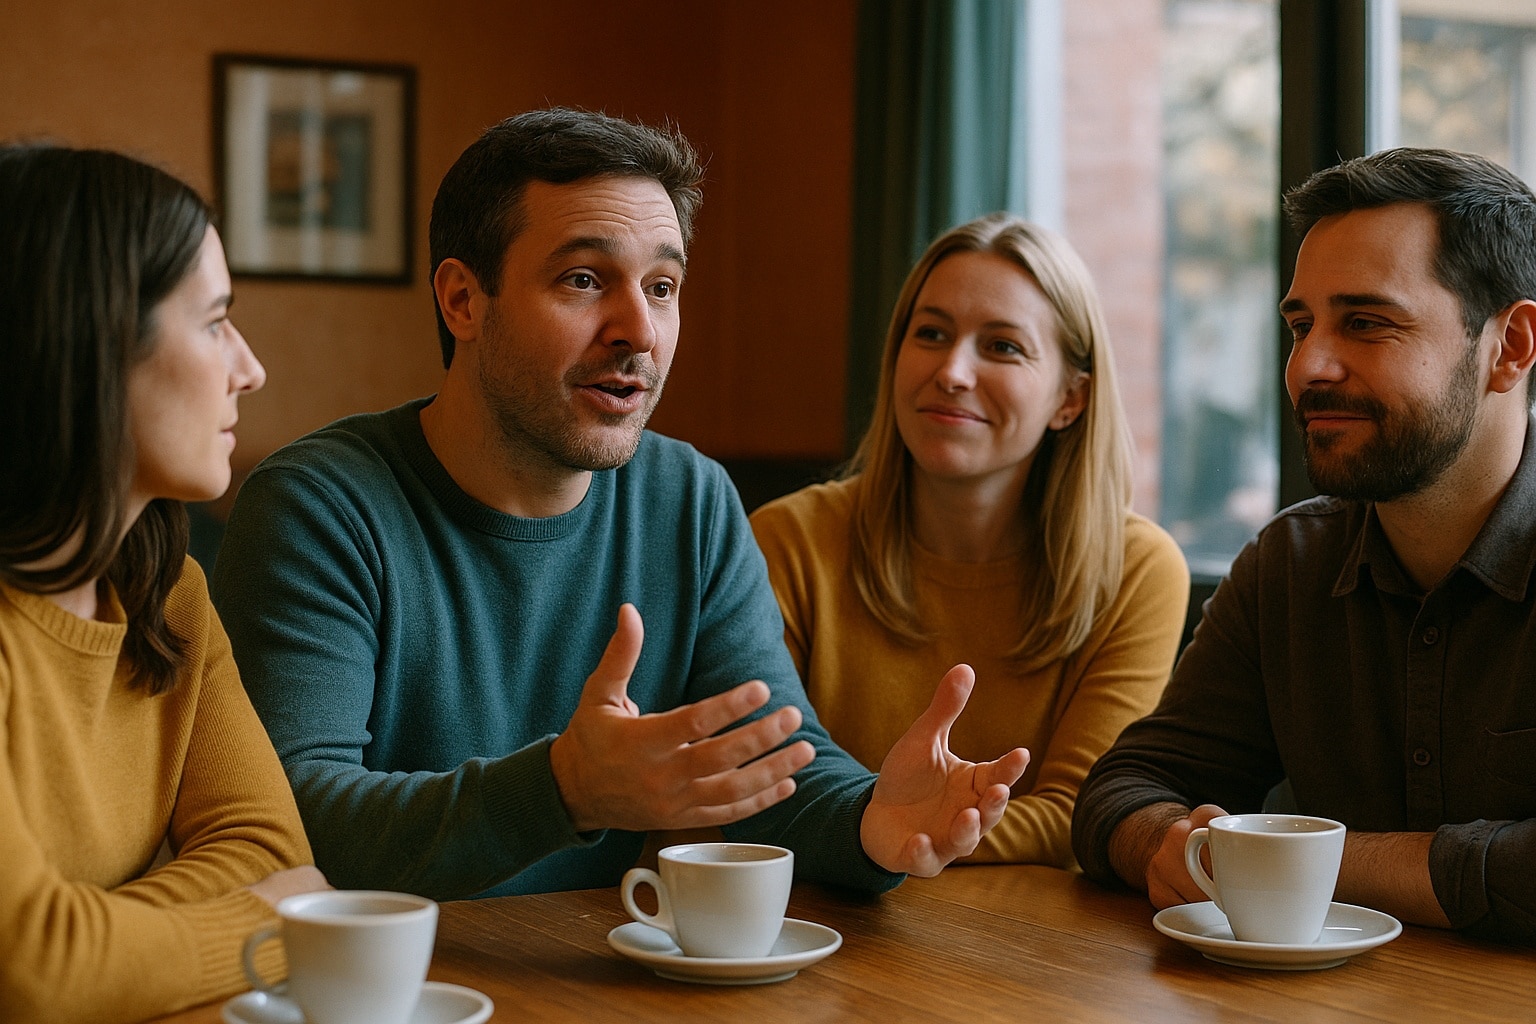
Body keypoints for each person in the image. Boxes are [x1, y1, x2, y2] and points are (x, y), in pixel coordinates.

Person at [210, 107, 1028, 901]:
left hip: (590, 982)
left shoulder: (691, 500)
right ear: (463, 300)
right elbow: (295, 818)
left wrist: (873, 819)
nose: (639, 328)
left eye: (663, 286)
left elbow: (765, 761)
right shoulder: (319, 507)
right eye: (583, 279)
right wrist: (565, 789)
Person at [1071, 147, 1536, 944]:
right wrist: (1168, 845)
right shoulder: (1290, 564)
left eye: (1365, 323)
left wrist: (1284, 860)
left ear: (1512, 346)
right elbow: (1124, 788)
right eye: (1299, 325)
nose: (1308, 367)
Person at [0, 145, 328, 1024]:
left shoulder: (170, 591)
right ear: (92, 342)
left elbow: (267, 847)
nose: (249, 368)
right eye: (216, 321)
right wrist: (277, 923)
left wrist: (89, 940)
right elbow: (33, 972)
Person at [750, 214, 1189, 866]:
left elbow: (1083, 809)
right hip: (824, 926)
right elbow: (763, 785)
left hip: (1025, 946)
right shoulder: (789, 540)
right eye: (930, 334)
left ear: (1071, 399)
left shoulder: (1139, 569)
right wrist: (883, 833)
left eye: (1003, 346)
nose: (952, 371)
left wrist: (898, 832)